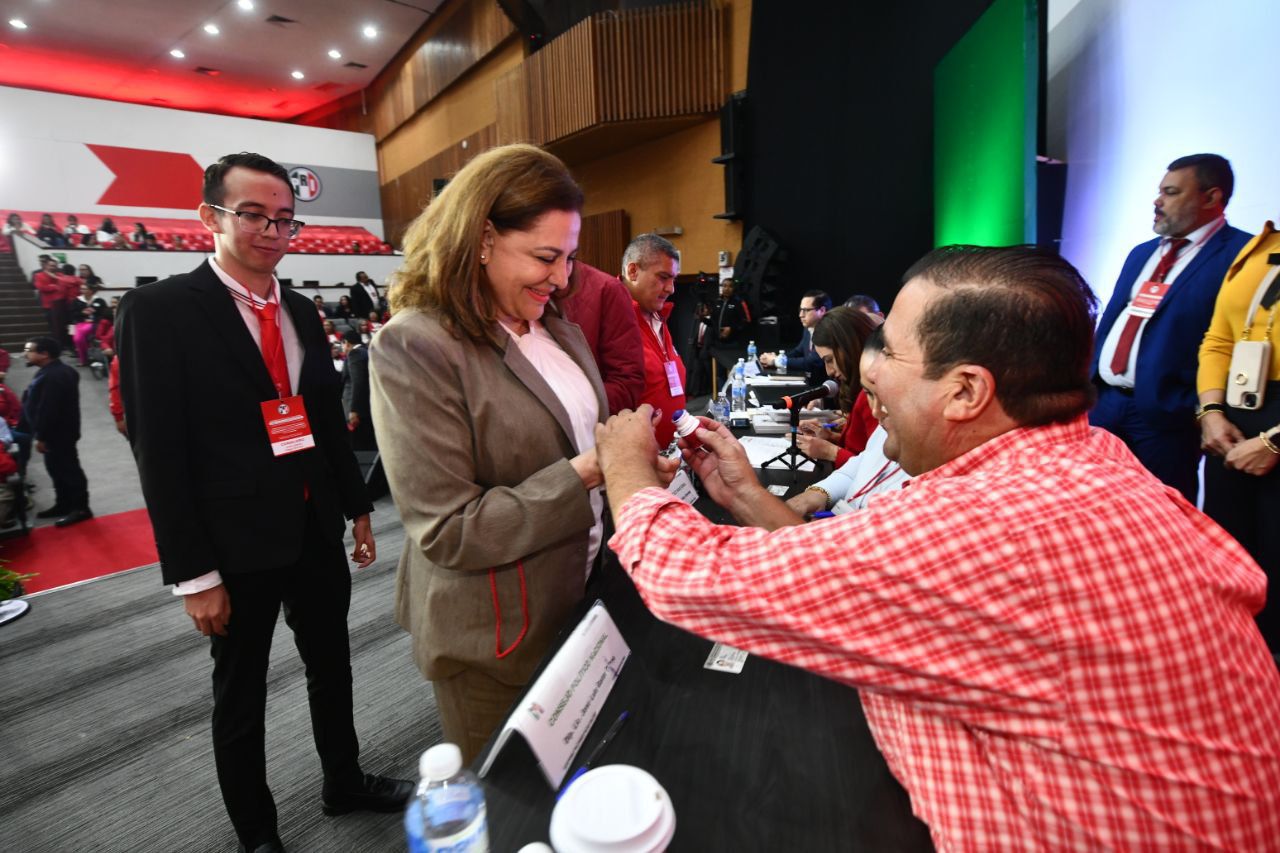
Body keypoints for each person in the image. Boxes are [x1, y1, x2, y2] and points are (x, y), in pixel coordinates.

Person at [593, 245, 1280, 849]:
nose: (870, 372)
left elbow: (688, 575)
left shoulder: (991, 523)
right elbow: (867, 580)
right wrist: (745, 493)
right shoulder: (1087, 460)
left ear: (965, 390)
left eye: (888, 348)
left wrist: (625, 461)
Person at [115, 151, 411, 853]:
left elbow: (322, 416)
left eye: (284, 218)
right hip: (230, 544)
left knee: (331, 664)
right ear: (209, 217)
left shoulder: (303, 309)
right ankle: (258, 834)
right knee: (240, 697)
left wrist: (358, 507)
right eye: (253, 214)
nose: (273, 230)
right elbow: (159, 452)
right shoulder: (159, 312)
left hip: (312, 523)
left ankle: (344, 779)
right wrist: (194, 574)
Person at [369, 143, 607, 763]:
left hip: (581, 600)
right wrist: (586, 473)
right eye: (545, 257)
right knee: (511, 805)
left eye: (570, 258)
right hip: (497, 635)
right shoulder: (416, 346)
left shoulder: (556, 326)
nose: (562, 279)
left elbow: (578, 436)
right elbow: (449, 529)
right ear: (480, 239)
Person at [1090, 154, 1250, 502]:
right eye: (1160, 191)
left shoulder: (1242, 255)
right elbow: (1114, 321)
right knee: (1094, 506)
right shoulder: (1142, 253)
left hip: (1167, 414)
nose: (1157, 201)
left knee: (1164, 513)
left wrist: (1199, 407)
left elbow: (1234, 339)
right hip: (1105, 405)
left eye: (1171, 192)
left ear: (1211, 198)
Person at [1197, 219, 1280, 655]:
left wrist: (1274, 442)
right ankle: (1230, 656)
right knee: (1230, 548)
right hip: (1235, 412)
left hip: (1275, 429)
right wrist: (1210, 412)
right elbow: (1218, 339)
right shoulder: (1259, 247)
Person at [788, 327, 907, 517]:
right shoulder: (889, 424)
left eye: (886, 394)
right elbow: (863, 463)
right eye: (869, 393)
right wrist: (820, 493)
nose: (876, 411)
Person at [620, 233, 685, 447]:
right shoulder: (611, 321)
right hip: (635, 463)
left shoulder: (658, 316)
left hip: (670, 456)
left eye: (673, 279)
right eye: (663, 277)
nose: (671, 288)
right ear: (633, 271)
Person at [794, 306, 879, 465]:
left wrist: (830, 452)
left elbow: (876, 468)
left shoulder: (873, 395)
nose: (829, 372)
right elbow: (860, 447)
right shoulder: (861, 390)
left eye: (830, 360)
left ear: (849, 347)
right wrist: (832, 438)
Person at [20, 336, 91, 526]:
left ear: (44, 354)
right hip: (58, 432)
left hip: (58, 433)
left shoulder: (55, 376)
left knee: (68, 470)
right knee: (56, 469)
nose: (26, 354)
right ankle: (64, 503)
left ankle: (80, 508)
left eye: (29, 350)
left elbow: (48, 409)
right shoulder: (53, 371)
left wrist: (41, 436)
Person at [558, 261, 645, 414]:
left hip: (586, 427)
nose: (670, 288)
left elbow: (627, 381)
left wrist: (570, 409)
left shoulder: (606, 289)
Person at [759, 289, 831, 386]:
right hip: (810, 383)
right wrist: (778, 358)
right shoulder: (808, 328)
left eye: (806, 310)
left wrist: (776, 361)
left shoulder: (829, 332)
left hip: (824, 387)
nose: (801, 315)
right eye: (800, 310)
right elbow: (798, 351)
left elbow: (813, 362)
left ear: (822, 310)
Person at [340, 330, 374, 451]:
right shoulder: (365, 351)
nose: (342, 348)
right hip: (366, 408)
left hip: (358, 411)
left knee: (361, 448)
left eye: (342, 344)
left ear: (346, 342)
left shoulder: (355, 353)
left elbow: (358, 382)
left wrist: (354, 410)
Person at [33, 256, 78, 346]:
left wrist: (54, 285)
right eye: (51, 265)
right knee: (54, 327)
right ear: (46, 266)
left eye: (55, 265)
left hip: (63, 304)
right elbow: (41, 287)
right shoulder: (39, 275)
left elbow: (69, 284)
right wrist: (55, 286)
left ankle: (70, 344)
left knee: (68, 325)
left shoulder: (60, 275)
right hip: (49, 305)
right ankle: (58, 345)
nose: (53, 267)